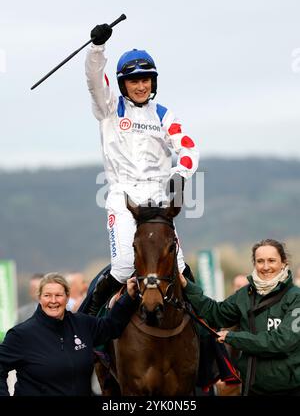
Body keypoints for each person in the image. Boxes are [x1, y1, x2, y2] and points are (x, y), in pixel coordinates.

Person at [85, 24, 199, 314]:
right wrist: (96, 49)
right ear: (124, 84)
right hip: (123, 197)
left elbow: (187, 148)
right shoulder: (109, 108)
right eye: (134, 81)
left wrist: (180, 174)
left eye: (146, 79)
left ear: (153, 82)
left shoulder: (163, 114)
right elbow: (95, 80)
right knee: (124, 267)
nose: (140, 86)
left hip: (158, 198)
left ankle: (205, 329)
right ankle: (86, 320)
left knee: (181, 266)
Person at [180, 239, 300, 396]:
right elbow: (215, 314)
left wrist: (234, 338)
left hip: (290, 390)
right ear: (254, 264)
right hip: (250, 389)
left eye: (271, 260)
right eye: (260, 261)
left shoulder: (295, 297)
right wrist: (187, 285)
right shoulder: (244, 295)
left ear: (284, 263)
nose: (265, 267)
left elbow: (282, 341)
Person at [0, 272, 139, 396]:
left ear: (67, 297)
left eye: (59, 295)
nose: (53, 301)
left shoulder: (82, 324)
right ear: (39, 298)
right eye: (47, 295)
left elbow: (111, 326)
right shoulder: (20, 335)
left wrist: (128, 297)